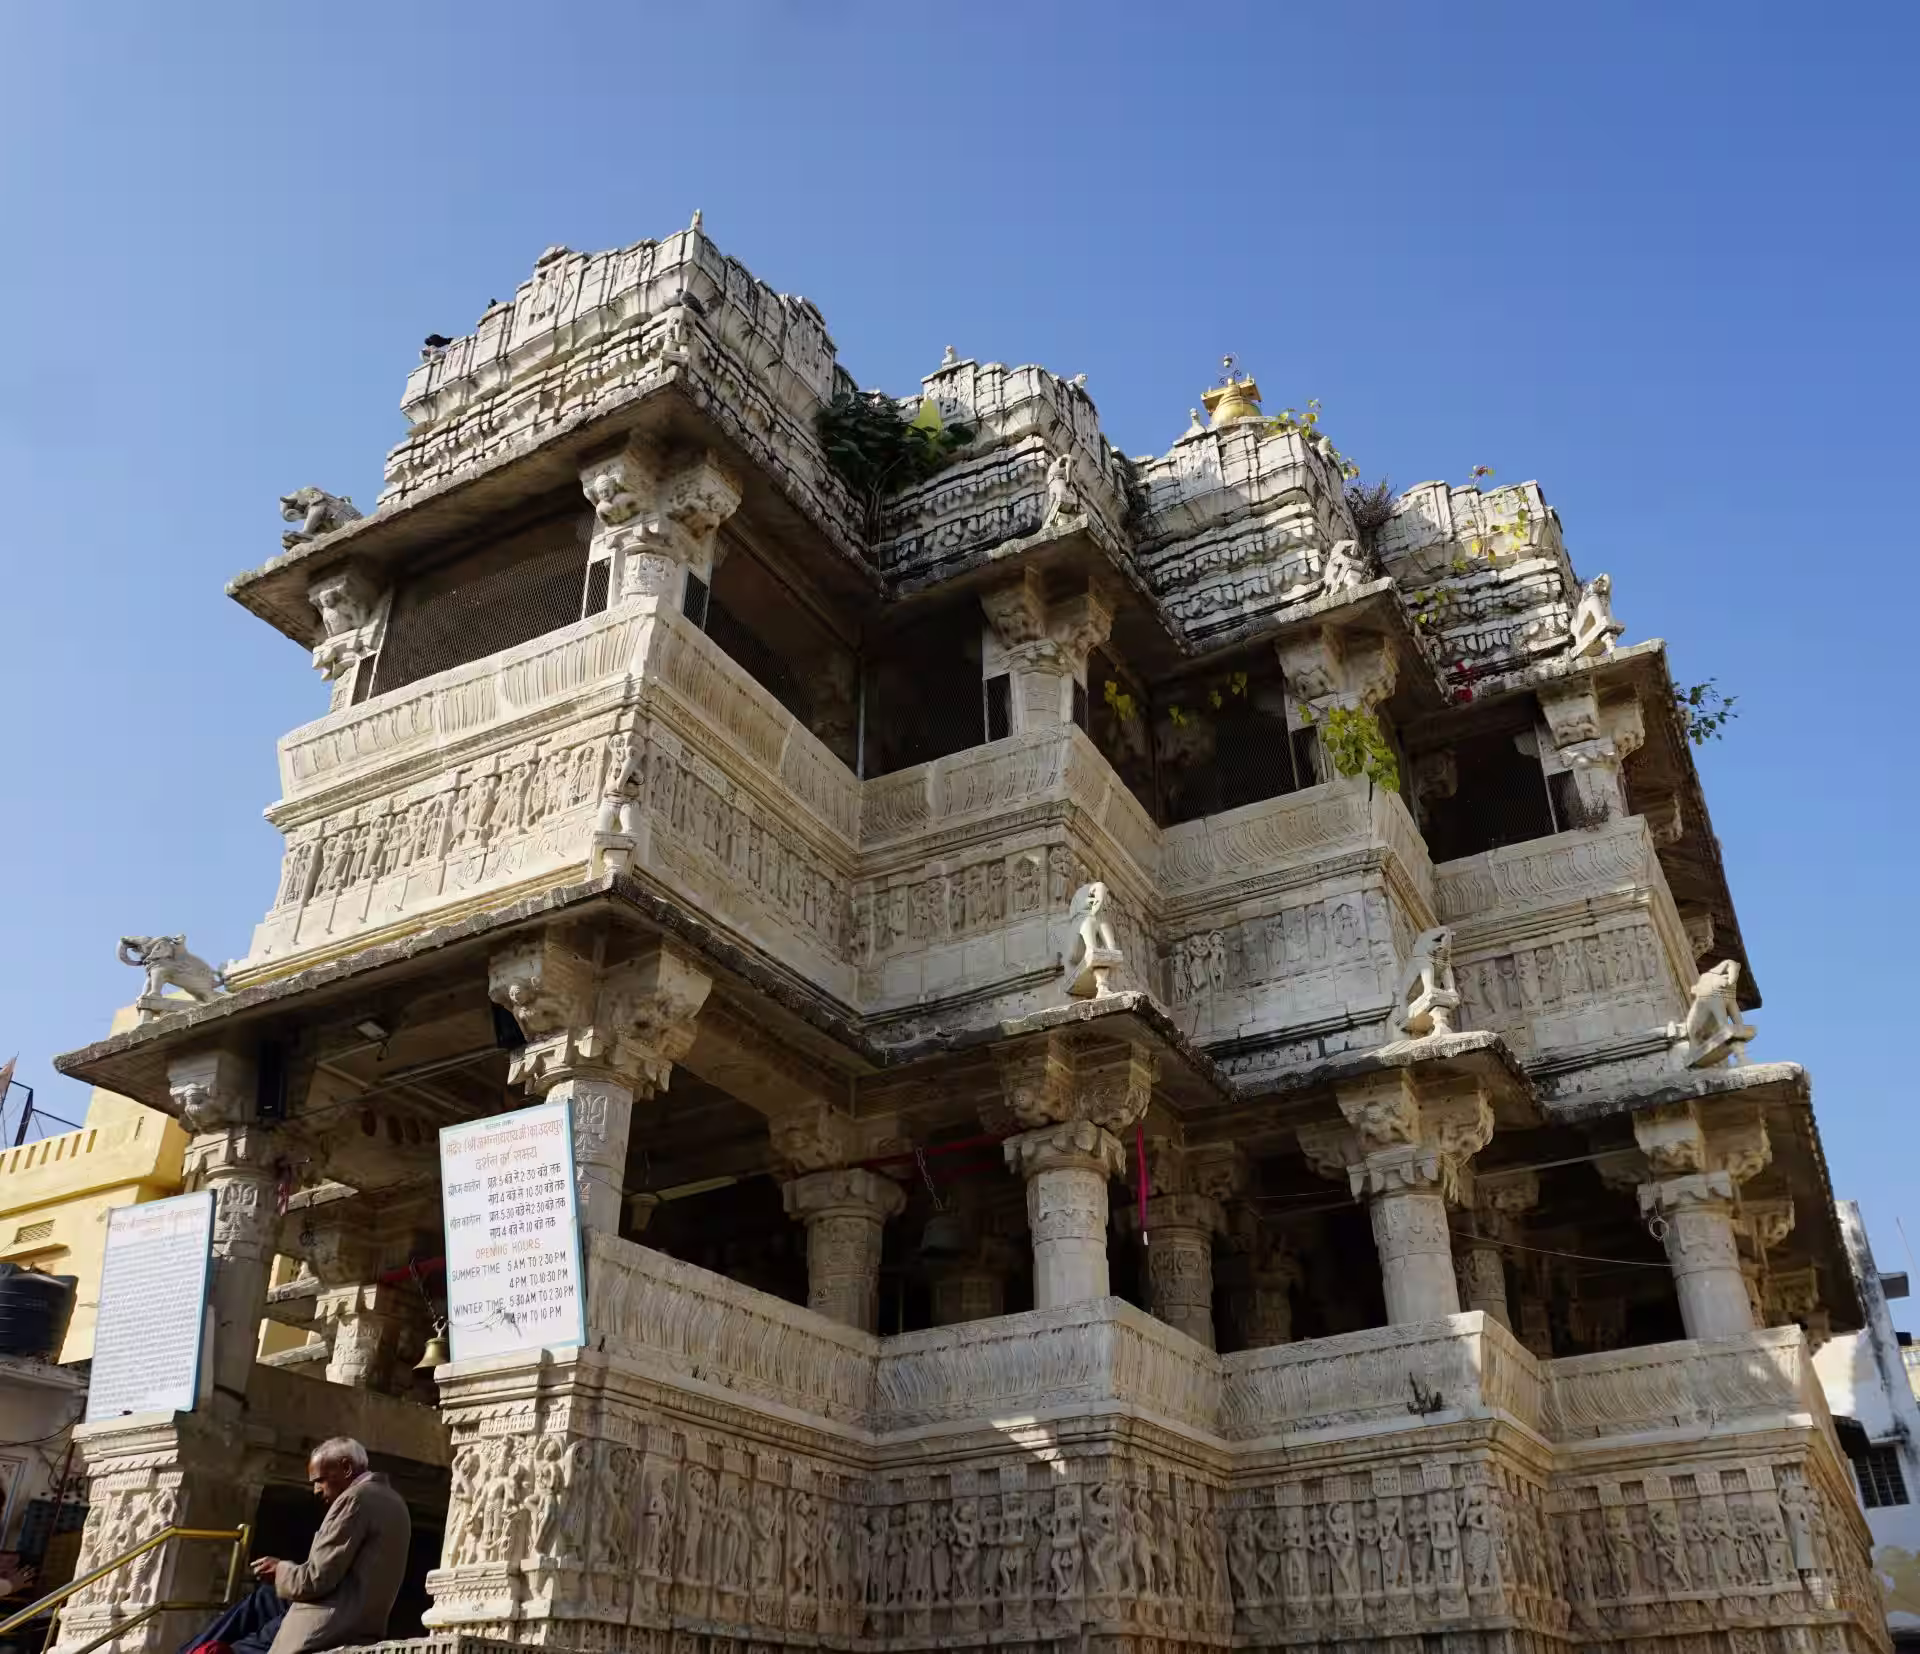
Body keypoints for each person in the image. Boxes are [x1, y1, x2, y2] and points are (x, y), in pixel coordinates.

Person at [180, 1439, 410, 1654]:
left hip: (329, 1623)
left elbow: (315, 1580)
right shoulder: (393, 1500)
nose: (316, 1490)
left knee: (228, 1648)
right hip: (353, 1612)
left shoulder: (354, 1499)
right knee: (264, 1598)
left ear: (347, 1468)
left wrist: (279, 1569)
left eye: (320, 1480)